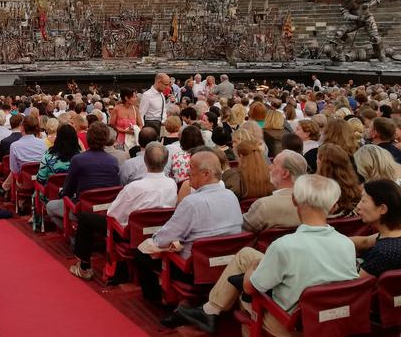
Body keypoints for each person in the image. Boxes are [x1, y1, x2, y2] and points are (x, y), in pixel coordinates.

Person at [175, 175, 358, 335]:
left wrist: (253, 269)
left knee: (245, 294)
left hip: (290, 323)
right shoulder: (347, 244)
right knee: (246, 254)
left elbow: (249, 287)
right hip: (330, 318)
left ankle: (215, 313)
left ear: (294, 200)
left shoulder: (284, 246)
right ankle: (210, 310)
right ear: (333, 207)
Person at [135, 151, 242, 301]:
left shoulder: (192, 202)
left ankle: (155, 300)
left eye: (191, 168)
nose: (187, 172)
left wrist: (159, 240)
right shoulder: (231, 196)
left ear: (206, 174)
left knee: (141, 252)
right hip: (226, 265)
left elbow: (162, 240)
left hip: (193, 270)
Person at [69, 142, 177, 280]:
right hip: (158, 229)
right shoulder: (171, 183)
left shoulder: (135, 187)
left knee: (85, 218)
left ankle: (84, 267)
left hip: (130, 232)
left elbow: (113, 214)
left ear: (145, 160)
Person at [46, 122, 120, 227]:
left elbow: (68, 190)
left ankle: (73, 235)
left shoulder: (78, 159)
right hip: (105, 208)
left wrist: (63, 195)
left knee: (50, 206)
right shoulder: (113, 160)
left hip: (84, 209)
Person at [242, 150, 307, 233]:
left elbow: (241, 231)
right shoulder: (314, 204)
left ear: (285, 173)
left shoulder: (264, 205)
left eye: (274, 164)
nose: (269, 167)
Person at [350, 179, 401, 277]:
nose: (358, 206)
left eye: (363, 200)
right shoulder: (392, 235)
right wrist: (335, 242)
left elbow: (356, 283)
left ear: (382, 209)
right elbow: (365, 241)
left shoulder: (382, 252)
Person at [316, 143, 362, 217]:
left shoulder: (314, 191)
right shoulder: (356, 191)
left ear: (320, 163)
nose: (317, 161)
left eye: (317, 158)